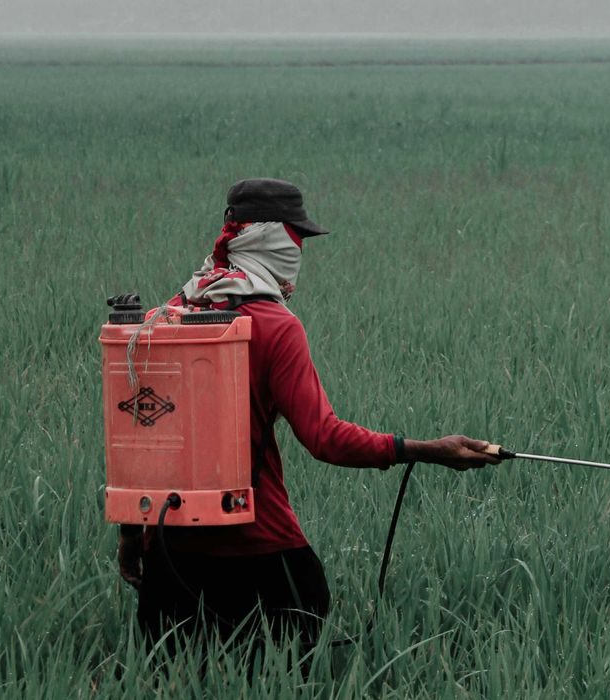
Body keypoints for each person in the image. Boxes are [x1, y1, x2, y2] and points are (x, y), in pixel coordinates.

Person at [116, 178, 500, 650]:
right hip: (260, 550)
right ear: (275, 239)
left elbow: (139, 437)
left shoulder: (168, 314)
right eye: (297, 238)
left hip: (169, 554)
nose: (300, 252)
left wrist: (132, 535)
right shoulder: (277, 327)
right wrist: (426, 450)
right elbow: (325, 438)